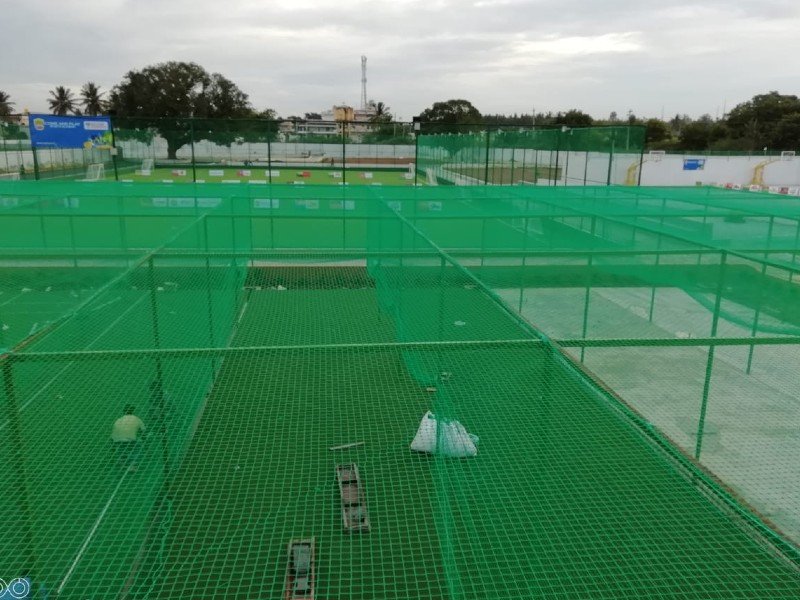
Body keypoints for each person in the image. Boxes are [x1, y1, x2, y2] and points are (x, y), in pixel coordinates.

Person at [111, 405, 146, 471]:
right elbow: (143, 430)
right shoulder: (136, 419)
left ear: (124, 411)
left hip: (117, 440)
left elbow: (113, 433)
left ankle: (122, 462)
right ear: (133, 411)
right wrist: (144, 439)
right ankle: (133, 464)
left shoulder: (119, 420)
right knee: (137, 448)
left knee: (122, 448)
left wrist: (112, 445)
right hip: (129, 439)